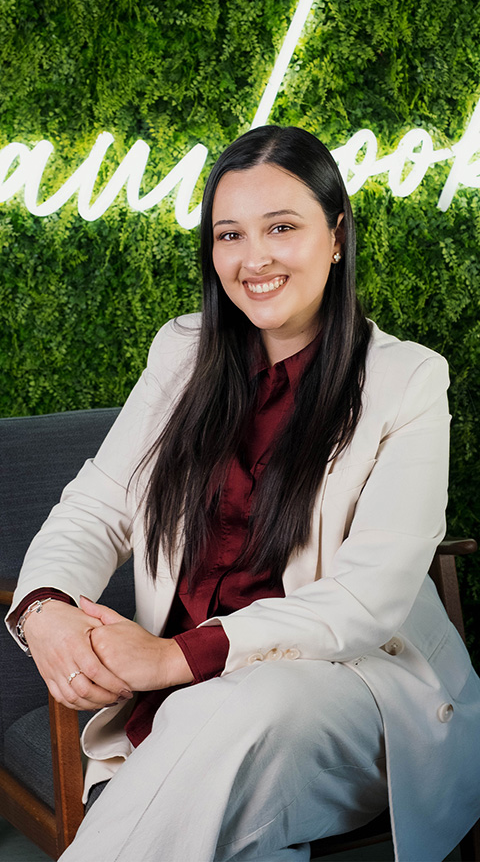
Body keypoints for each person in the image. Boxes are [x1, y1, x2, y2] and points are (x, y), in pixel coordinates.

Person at [6, 126, 480, 862]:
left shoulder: (408, 379)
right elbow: (97, 506)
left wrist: (173, 659)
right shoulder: (181, 352)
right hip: (198, 711)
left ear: (336, 235)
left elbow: (368, 598)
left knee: (230, 710)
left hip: (354, 689)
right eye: (230, 234)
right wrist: (45, 609)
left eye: (281, 227)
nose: (253, 259)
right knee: (234, 819)